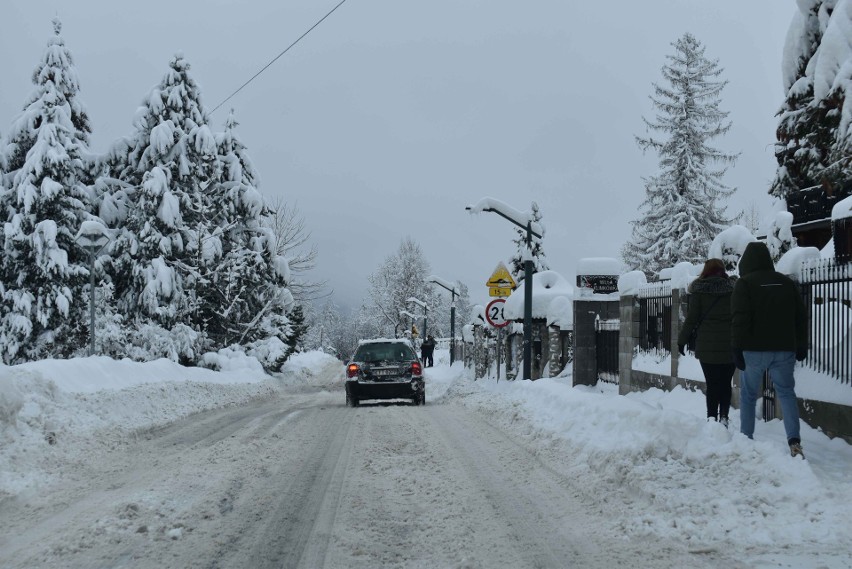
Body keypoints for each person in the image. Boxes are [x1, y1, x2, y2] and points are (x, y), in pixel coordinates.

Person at [731, 241, 808, 458]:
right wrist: (801, 344)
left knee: (747, 394)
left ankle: (746, 439)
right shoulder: (786, 283)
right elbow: (800, 318)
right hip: (784, 350)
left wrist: (736, 347)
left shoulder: (744, 284)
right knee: (786, 393)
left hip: (753, 351)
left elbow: (740, 319)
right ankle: (794, 441)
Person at [677, 258, 736, 427]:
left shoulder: (699, 291)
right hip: (729, 346)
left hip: (707, 348)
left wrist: (682, 341)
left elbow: (691, 319)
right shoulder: (733, 290)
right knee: (726, 383)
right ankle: (724, 416)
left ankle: (711, 418)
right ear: (722, 270)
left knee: (712, 384)